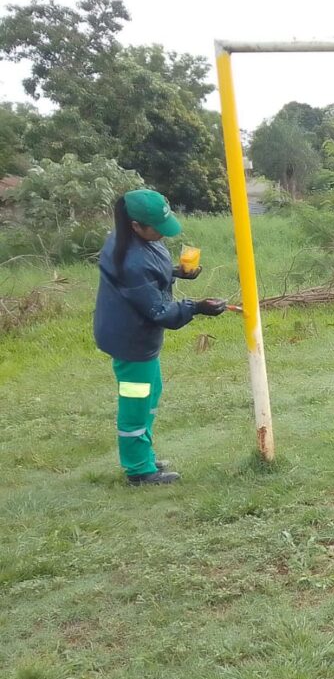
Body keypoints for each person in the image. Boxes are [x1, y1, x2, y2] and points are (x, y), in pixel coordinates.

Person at [93, 189, 227, 485]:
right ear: (136, 225)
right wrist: (198, 307)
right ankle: (139, 470)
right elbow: (158, 310)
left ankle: (144, 453)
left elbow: (153, 274)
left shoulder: (136, 241)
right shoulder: (129, 260)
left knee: (151, 394)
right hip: (130, 341)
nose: (163, 235)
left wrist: (178, 273)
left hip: (141, 341)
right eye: (157, 229)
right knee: (136, 404)